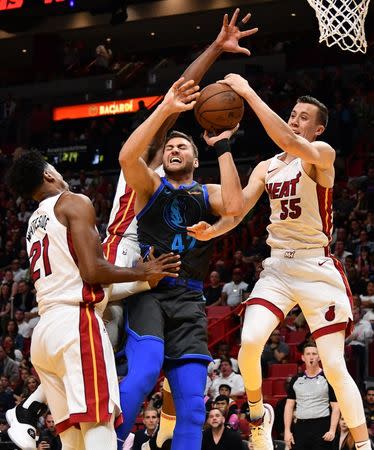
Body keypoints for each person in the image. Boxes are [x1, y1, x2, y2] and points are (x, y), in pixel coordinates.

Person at [187, 73, 371, 449]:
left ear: (318, 129)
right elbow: (238, 213)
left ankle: (364, 444)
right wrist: (215, 230)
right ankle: (258, 416)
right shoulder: (266, 167)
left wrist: (248, 92)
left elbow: (288, 140)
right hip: (278, 268)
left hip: (316, 268)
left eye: (305, 117)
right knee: (250, 342)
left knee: (335, 366)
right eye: (293, 113)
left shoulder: (323, 155)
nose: (295, 120)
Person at [116, 10, 258, 450]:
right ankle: (103, 441)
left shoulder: (206, 188)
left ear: (196, 158)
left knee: (194, 406)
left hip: (189, 296)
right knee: (142, 373)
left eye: (184, 145)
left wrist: (225, 146)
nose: (175, 147)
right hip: (142, 284)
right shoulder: (147, 181)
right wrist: (169, 107)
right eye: (170, 144)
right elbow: (128, 156)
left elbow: (234, 207)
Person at [5, 151, 181, 450]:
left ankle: (27, 410)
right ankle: (26, 411)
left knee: (73, 442)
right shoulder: (74, 201)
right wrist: (141, 271)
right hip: (76, 324)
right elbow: (92, 270)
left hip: (44, 331)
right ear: (48, 174)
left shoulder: (34, 221)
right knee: (99, 426)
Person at [283, 344, 340, 449]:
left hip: (322, 426)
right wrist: (287, 431)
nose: (311, 357)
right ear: (303, 358)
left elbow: (336, 406)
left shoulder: (328, 378)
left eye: (314, 354)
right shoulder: (295, 379)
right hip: (301, 426)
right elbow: (289, 406)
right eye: (308, 354)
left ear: (319, 357)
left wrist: (332, 430)